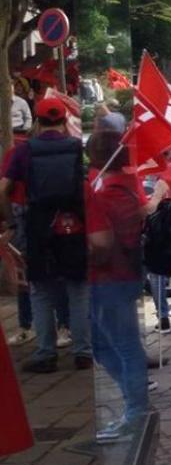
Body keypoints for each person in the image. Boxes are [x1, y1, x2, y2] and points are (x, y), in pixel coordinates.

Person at [1, 97, 91, 373]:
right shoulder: (77, 148)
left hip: (38, 227)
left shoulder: (24, 151)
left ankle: (45, 354)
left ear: (37, 122)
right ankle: (83, 352)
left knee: (40, 291)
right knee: (78, 290)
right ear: (64, 120)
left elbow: (3, 188)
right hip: (74, 226)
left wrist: (10, 223)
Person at [84, 131, 151, 442]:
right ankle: (134, 402)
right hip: (125, 275)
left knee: (122, 346)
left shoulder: (106, 195)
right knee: (111, 344)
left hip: (110, 277)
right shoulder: (127, 188)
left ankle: (136, 411)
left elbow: (103, 242)